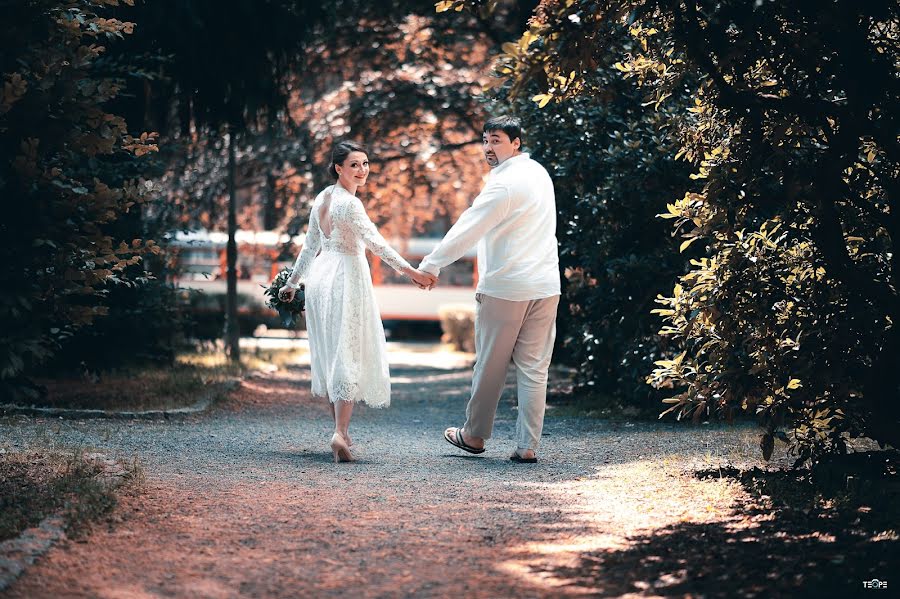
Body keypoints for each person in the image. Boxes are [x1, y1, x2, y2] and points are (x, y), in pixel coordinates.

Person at [278, 140, 435, 462]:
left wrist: (294, 283)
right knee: (346, 350)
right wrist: (411, 273)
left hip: (321, 278)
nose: (362, 170)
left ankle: (343, 433)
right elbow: (375, 243)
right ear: (339, 168)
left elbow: (310, 248)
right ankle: (339, 433)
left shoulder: (323, 197)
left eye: (365, 163)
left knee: (330, 352)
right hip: (345, 277)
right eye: (354, 165)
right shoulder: (349, 204)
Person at [419, 116, 560, 463]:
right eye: (484, 141)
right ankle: (527, 447)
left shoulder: (504, 184)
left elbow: (468, 227)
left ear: (516, 143)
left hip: (506, 287)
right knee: (533, 369)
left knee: (490, 366)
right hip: (545, 285)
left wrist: (431, 265)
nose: (488, 148)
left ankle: (474, 436)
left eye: (496, 141)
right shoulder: (539, 173)